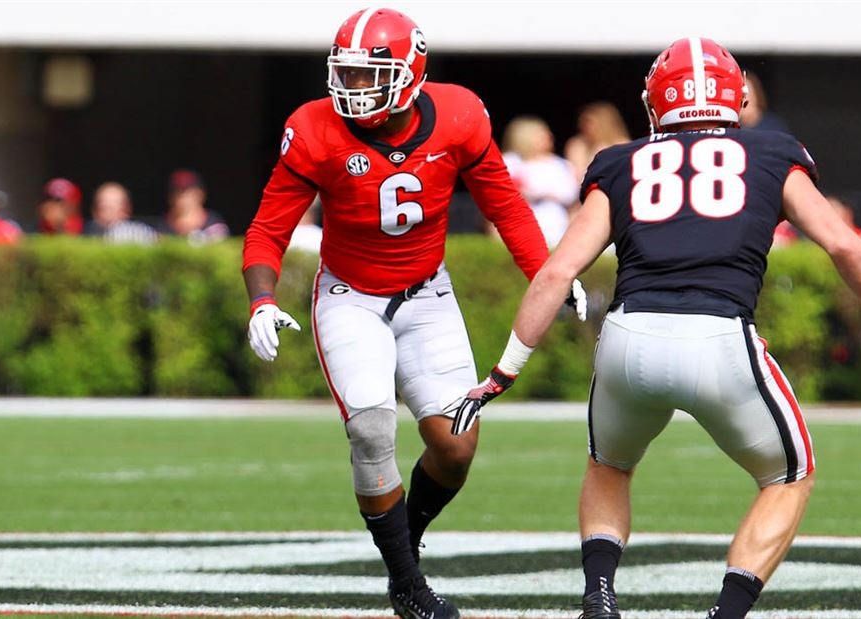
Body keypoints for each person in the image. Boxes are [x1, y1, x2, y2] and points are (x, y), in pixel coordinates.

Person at [451, 38, 861, 619]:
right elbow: (841, 242)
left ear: (655, 101)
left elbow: (559, 269)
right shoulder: (770, 153)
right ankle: (727, 613)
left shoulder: (620, 161)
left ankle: (599, 597)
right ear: (734, 97)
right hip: (720, 338)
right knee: (790, 475)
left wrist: (503, 372)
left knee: (610, 464)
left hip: (629, 339)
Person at [241, 8, 585, 619]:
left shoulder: (459, 116)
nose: (352, 88)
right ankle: (407, 583)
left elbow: (505, 207)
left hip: (428, 293)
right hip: (349, 297)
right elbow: (268, 229)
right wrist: (262, 299)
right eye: (344, 74)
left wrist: (548, 274)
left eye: (368, 75)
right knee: (372, 429)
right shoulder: (314, 129)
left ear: (410, 72)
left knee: (456, 445)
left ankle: (406, 538)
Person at [501, 116, 579, 246]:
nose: (549, 137)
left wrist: (543, 193)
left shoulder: (559, 164)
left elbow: (570, 193)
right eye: (541, 135)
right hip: (520, 222)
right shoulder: (511, 162)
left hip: (555, 222)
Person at [564, 102, 631, 181]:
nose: (586, 128)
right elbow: (577, 174)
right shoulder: (577, 145)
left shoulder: (622, 144)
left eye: (590, 124)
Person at [164, 170, 229, 244]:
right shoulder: (158, 228)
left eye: (187, 192)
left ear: (201, 194)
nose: (182, 197)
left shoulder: (214, 226)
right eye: (176, 191)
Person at [85, 182, 158, 244]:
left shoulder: (142, 234)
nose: (110, 213)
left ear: (127, 210)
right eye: (105, 207)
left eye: (118, 207)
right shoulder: (85, 236)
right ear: (94, 211)